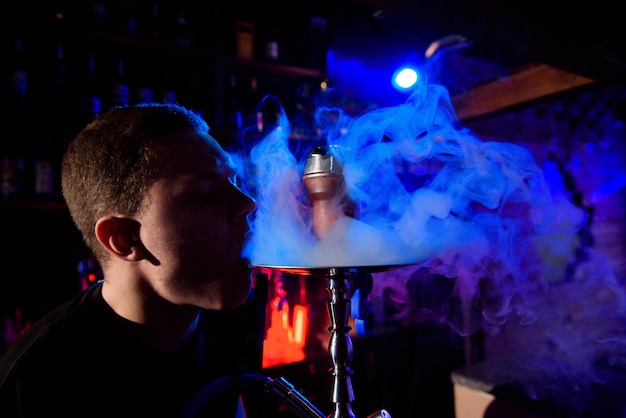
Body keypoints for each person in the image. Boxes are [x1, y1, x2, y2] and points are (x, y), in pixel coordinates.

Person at [0, 103, 267, 417]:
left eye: (234, 183)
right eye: (205, 194)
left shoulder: (229, 327)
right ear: (124, 238)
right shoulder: (38, 378)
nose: (247, 204)